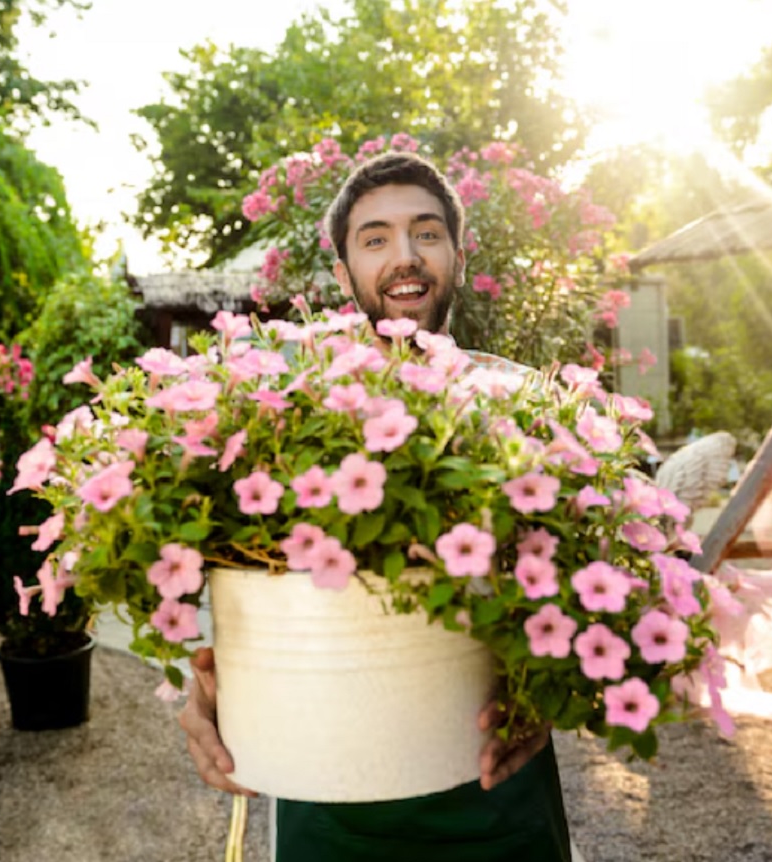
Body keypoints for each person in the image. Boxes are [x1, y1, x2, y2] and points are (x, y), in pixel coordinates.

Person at [178, 151, 574, 862]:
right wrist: (208, 688)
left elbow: (586, 587)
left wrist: (558, 690)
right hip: (330, 804)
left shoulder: (525, 402)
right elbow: (231, 575)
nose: (405, 256)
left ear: (456, 253)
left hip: (498, 800)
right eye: (375, 238)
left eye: (426, 232)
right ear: (342, 273)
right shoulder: (288, 415)